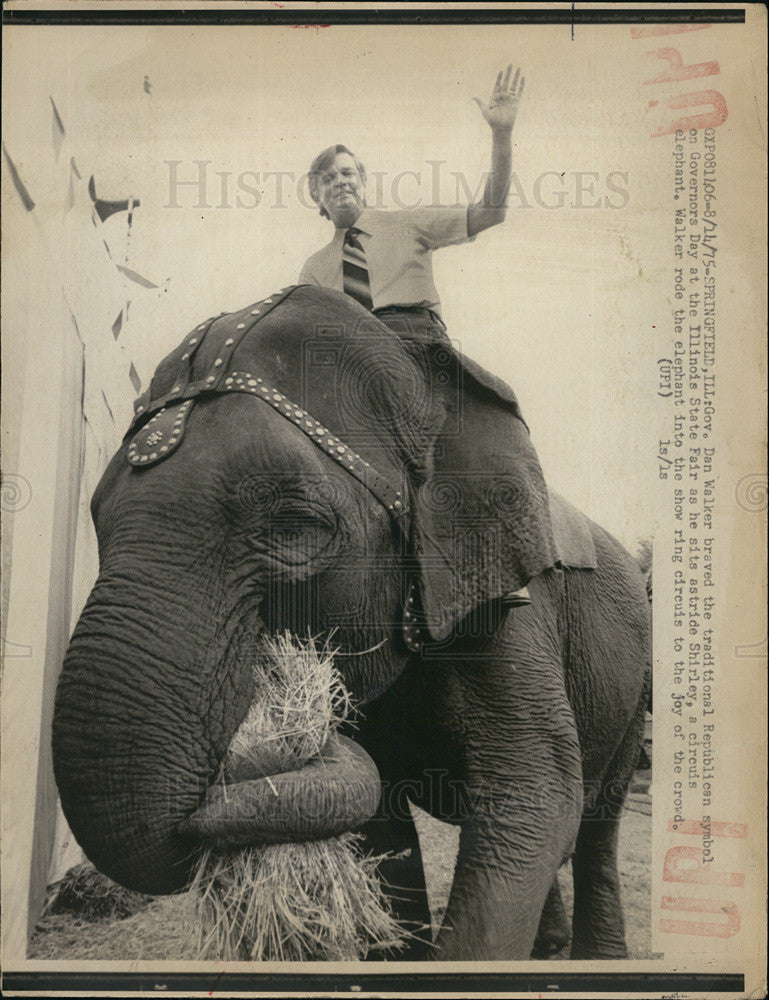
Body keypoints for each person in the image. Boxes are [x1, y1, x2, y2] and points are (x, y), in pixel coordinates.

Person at [299, 65, 524, 345]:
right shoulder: (313, 269)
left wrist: (502, 133)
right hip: (356, 358)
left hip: (421, 344)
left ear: (363, 180)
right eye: (328, 178)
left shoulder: (408, 223)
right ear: (315, 194)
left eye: (347, 173)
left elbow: (490, 213)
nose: (340, 182)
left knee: (492, 390)